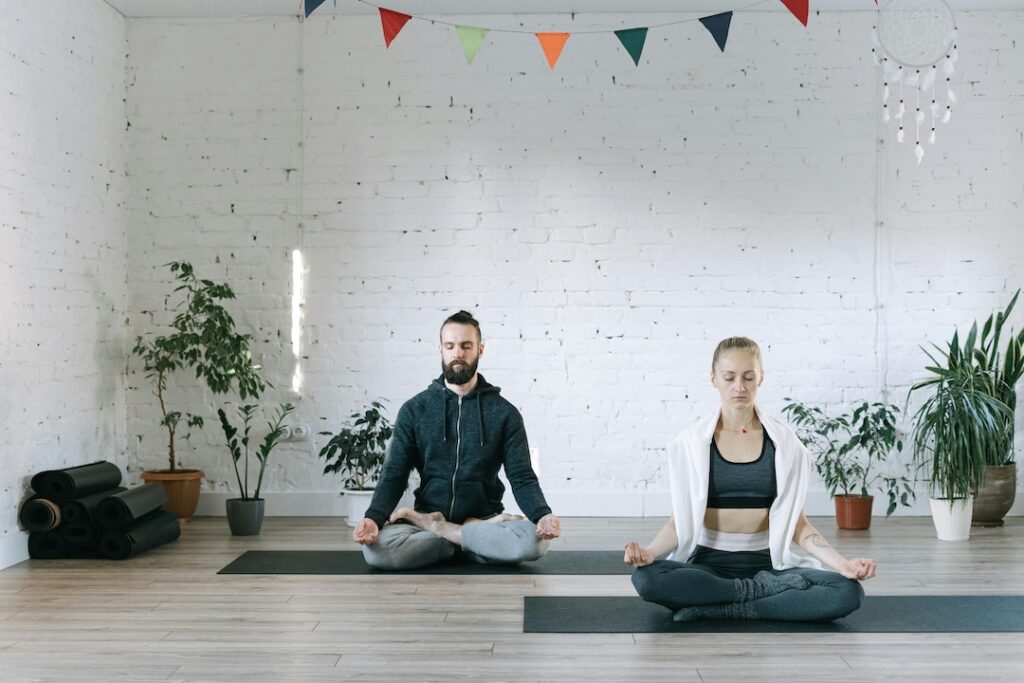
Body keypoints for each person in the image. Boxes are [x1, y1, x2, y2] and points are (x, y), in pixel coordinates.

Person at [624, 337, 873, 622]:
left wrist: (843, 565)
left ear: (761, 379)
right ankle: (760, 595)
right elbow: (678, 522)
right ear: (714, 379)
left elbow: (798, 525)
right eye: (729, 378)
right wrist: (649, 553)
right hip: (708, 565)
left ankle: (725, 605)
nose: (739, 387)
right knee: (647, 579)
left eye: (748, 377)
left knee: (847, 592)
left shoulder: (784, 444)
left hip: (769, 564)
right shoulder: (691, 444)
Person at [353, 310, 561, 570]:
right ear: (440, 349)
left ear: (480, 350)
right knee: (376, 552)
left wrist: (542, 514)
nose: (458, 353)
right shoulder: (415, 410)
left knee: (535, 543)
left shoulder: (504, 413)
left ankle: (446, 534)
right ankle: (467, 541)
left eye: (466, 346)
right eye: (450, 346)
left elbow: (521, 476)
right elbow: (394, 473)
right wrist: (373, 518)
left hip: (484, 518)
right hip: (431, 520)